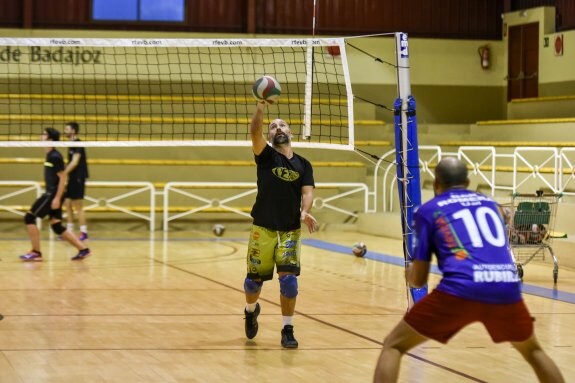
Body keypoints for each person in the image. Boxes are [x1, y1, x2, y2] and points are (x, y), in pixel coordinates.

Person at [373, 157, 564, 383]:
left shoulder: (428, 211)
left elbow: (419, 280)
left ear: (436, 184)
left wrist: (410, 274)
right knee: (534, 351)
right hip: (505, 286)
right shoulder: (493, 206)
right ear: (467, 181)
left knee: (393, 345)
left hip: (460, 288)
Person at [243, 100, 319, 349]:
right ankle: (251, 310)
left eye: (282, 125)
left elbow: (307, 192)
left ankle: (287, 328)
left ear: (290, 133)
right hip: (262, 227)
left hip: (289, 230)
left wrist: (305, 212)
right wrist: (261, 107)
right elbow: (254, 131)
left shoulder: (304, 165)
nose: (277, 128)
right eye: (273, 126)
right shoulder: (266, 156)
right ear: (269, 135)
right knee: (253, 283)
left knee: (288, 281)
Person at [20, 127, 92, 262]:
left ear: (50, 139)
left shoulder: (55, 156)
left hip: (52, 194)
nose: (40, 136)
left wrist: (57, 198)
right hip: (52, 193)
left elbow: (63, 177)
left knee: (29, 218)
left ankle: (36, 252)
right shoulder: (50, 155)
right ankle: (83, 249)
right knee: (56, 225)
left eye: (44, 134)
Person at [63, 121, 90, 241]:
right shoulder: (71, 144)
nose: (65, 131)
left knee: (78, 206)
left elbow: (75, 162)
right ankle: (69, 231)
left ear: (73, 131)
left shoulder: (78, 143)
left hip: (78, 177)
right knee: (67, 203)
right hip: (72, 177)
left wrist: (63, 174)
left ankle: (84, 232)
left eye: (67, 129)